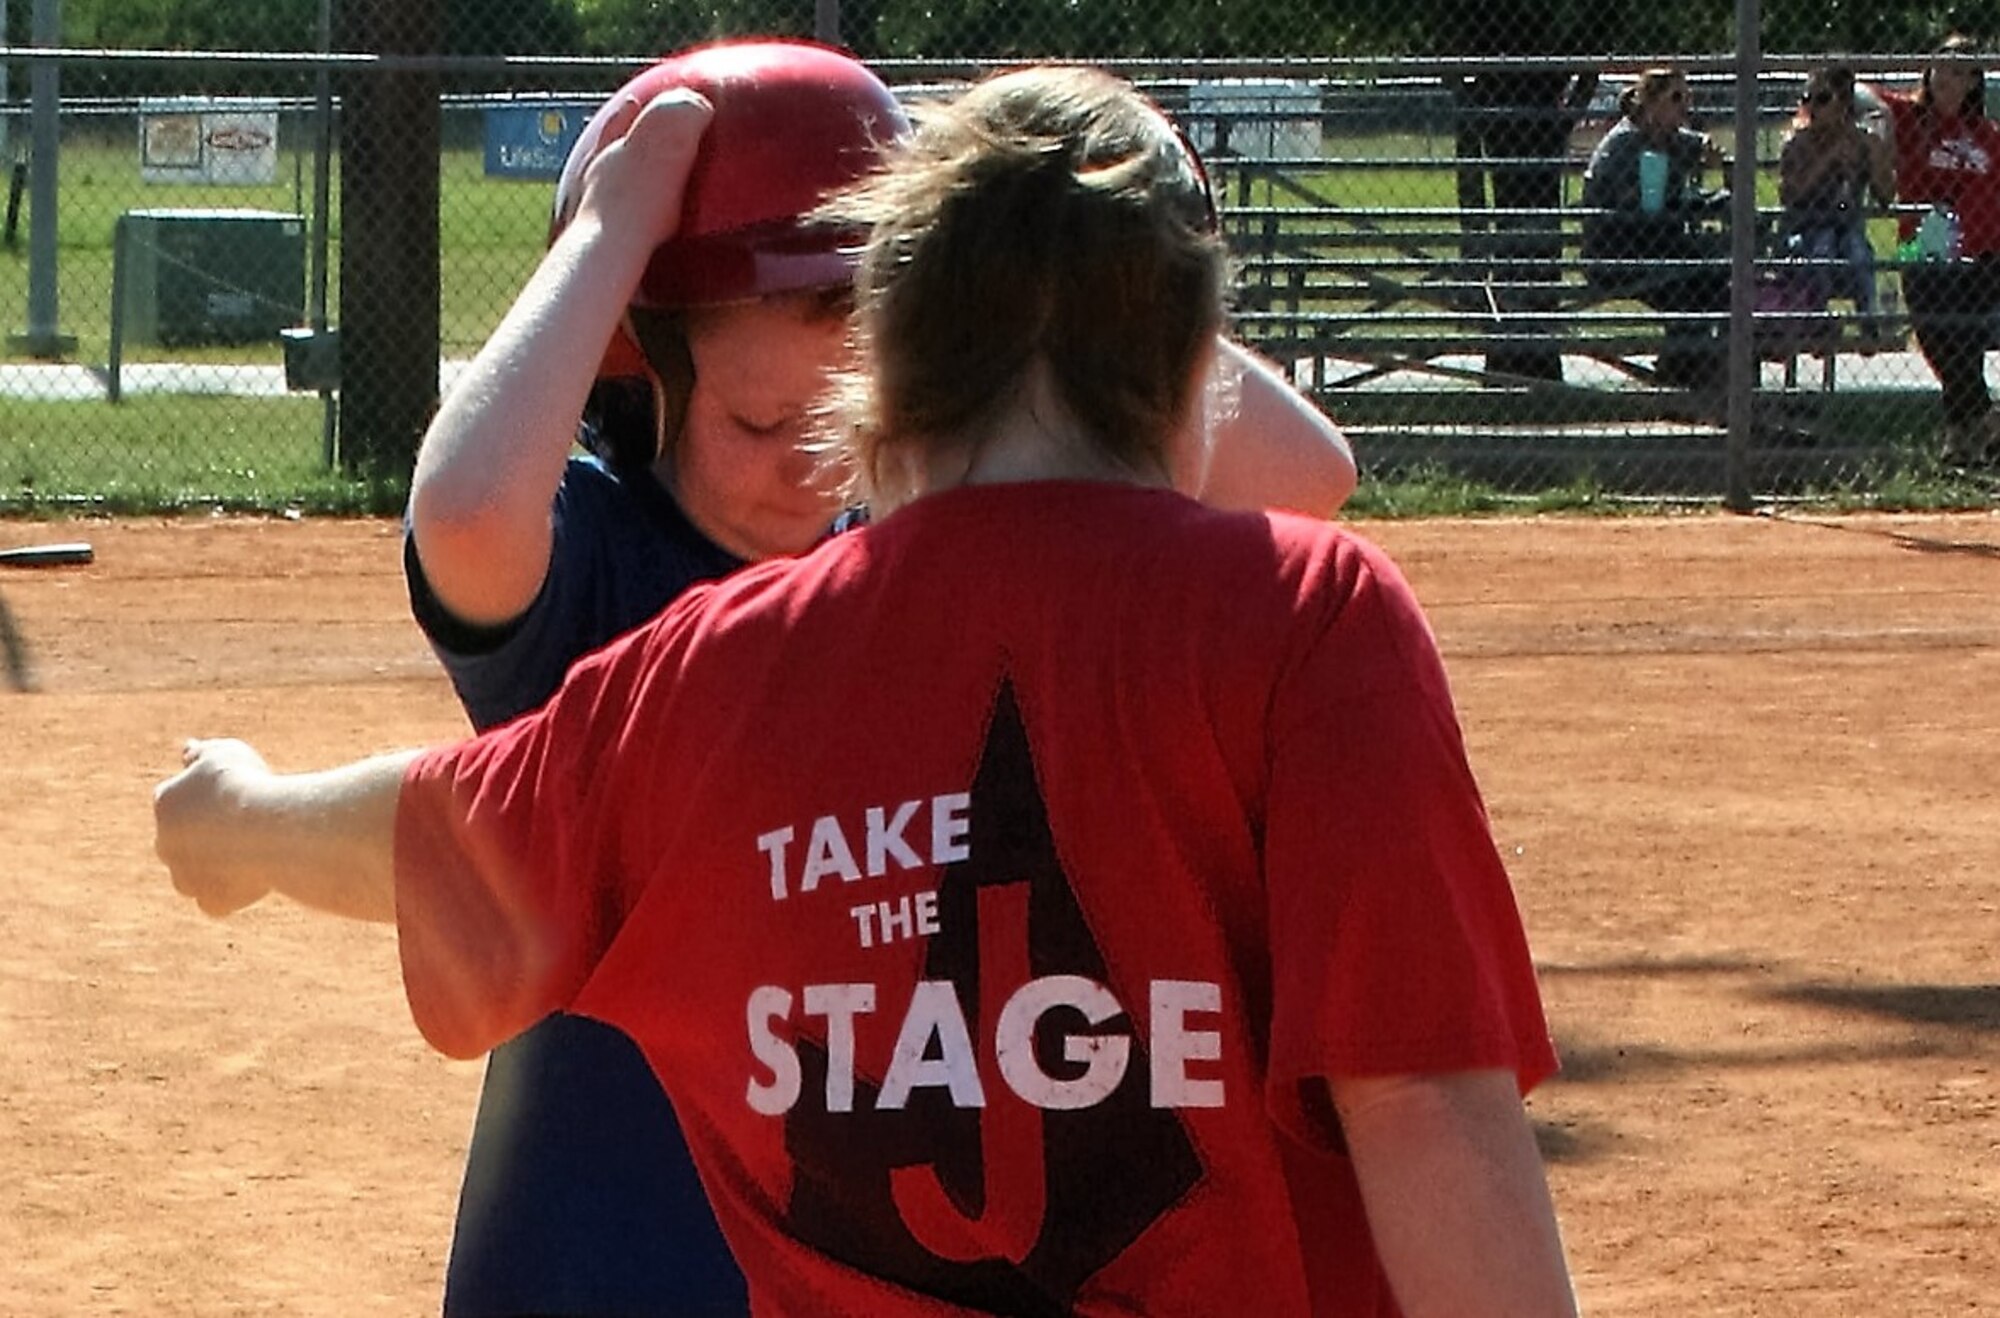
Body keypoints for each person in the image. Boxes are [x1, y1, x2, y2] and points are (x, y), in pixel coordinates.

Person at [155, 65, 1572, 1317]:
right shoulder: (1310, 616)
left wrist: (239, 814)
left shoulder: (717, 668)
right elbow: (1422, 1100)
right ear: (1201, 363)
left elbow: (434, 831)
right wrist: (1055, 218)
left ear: (876, 373)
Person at [404, 37, 1359, 1318]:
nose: (807, 466)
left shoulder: (923, 563)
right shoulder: (593, 570)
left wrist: (1001, 239)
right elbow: (464, 511)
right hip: (606, 1259)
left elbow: (1305, 478)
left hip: (855, 1261)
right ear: (639, 376)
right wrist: (614, 228)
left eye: (842, 418)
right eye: (758, 422)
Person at [1873, 33, 2000, 470]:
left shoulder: (1987, 137)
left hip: (1982, 257)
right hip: (1924, 252)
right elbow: (1858, 91)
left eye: (1960, 71)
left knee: (1961, 342)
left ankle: (1963, 440)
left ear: (1973, 82)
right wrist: (1878, 132)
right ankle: (1983, 424)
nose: (1947, 77)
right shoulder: (1910, 117)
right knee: (1938, 339)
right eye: (1941, 66)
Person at [1579, 66, 1731, 390]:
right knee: (1688, 291)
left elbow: (1701, 146)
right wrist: (1693, 204)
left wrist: (1709, 150)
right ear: (1650, 103)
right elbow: (1643, 214)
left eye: (1688, 98)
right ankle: (1680, 381)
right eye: (1676, 98)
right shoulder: (1624, 145)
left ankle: (1691, 376)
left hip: (1657, 247)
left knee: (1716, 282)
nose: (1685, 106)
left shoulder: (1668, 135)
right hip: (1617, 254)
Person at [1777, 64, 1894, 344]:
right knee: (1823, 246)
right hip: (1804, 232)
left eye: (1822, 99)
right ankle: (1817, 323)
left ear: (1843, 103)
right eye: (1807, 98)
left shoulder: (1861, 141)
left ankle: (1868, 324)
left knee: (1859, 251)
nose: (1812, 107)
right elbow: (1790, 196)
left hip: (1847, 230)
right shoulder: (1796, 142)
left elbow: (1886, 197)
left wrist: (1876, 155)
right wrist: (1828, 158)